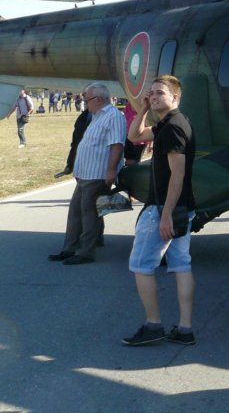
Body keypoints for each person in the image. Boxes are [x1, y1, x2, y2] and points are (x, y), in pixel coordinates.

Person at [123, 75, 197, 346]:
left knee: (141, 266)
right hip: (181, 207)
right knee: (181, 265)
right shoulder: (169, 123)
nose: (153, 96)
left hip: (164, 209)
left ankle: (153, 325)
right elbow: (134, 136)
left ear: (175, 97)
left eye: (160, 93)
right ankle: (185, 329)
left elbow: (178, 174)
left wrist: (165, 215)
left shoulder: (173, 127)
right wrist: (143, 108)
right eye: (151, 93)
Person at [47, 84, 126, 265]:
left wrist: (111, 170)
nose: (84, 102)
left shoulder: (114, 116)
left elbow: (117, 145)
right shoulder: (96, 116)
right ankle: (70, 248)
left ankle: (85, 252)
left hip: (97, 174)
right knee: (75, 212)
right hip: (84, 174)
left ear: (99, 99)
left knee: (89, 214)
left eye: (87, 99)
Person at [53, 105, 92, 178]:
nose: (85, 102)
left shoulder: (106, 117)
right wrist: (70, 164)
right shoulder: (83, 116)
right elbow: (75, 142)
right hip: (81, 165)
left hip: (95, 167)